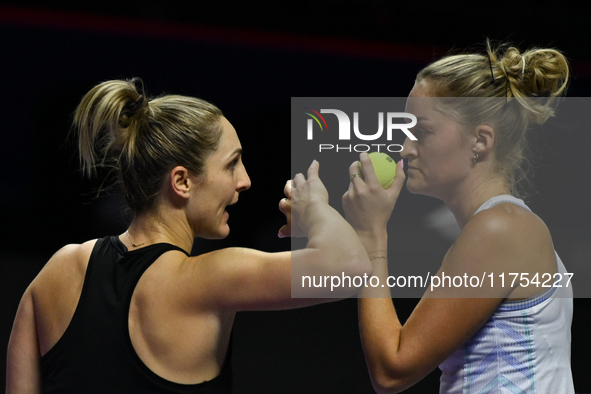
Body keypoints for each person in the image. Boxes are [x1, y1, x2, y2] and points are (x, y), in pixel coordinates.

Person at [6, 78, 372, 393]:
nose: (245, 181)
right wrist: (315, 209)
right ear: (181, 181)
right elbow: (350, 267)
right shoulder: (209, 279)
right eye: (232, 164)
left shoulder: (56, 272)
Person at [342, 42, 574, 393]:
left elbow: (393, 368)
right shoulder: (501, 226)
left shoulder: (500, 229)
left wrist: (371, 235)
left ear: (480, 141)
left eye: (421, 131)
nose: (404, 148)